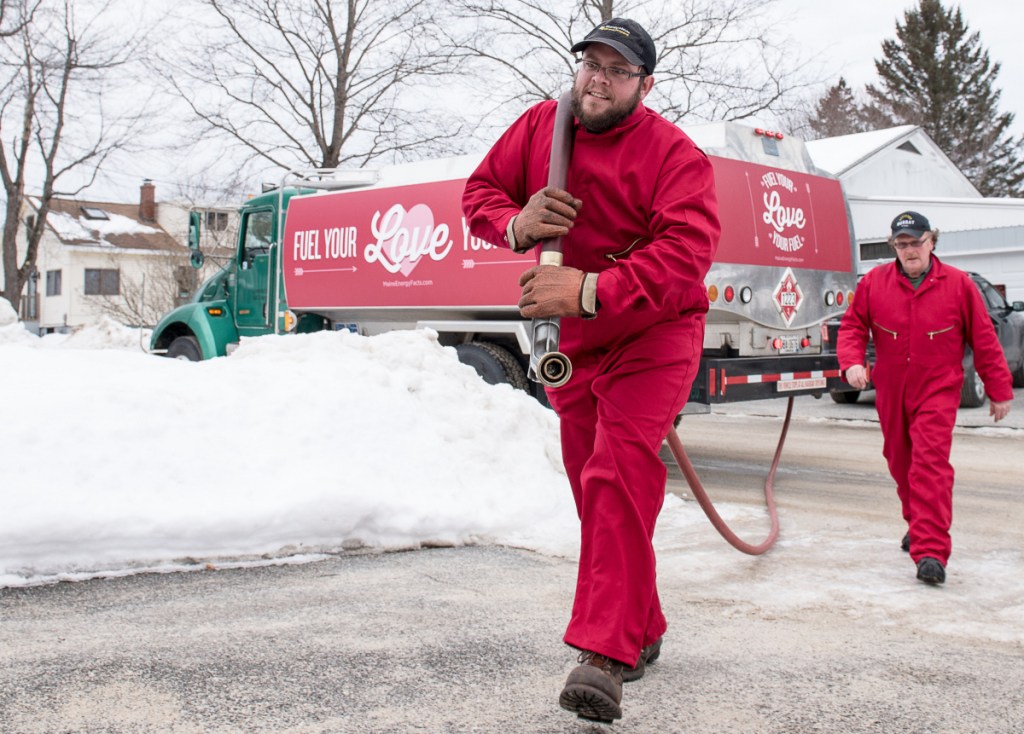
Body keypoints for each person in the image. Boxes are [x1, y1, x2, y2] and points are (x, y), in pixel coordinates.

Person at [462, 18, 719, 723]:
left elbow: (683, 259)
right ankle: (646, 623)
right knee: (595, 492)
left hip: (656, 331)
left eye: (617, 69)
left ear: (646, 84)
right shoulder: (541, 127)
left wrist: (584, 289)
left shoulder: (675, 156)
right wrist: (517, 223)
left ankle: (603, 656)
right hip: (575, 340)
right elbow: (478, 195)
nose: (598, 78)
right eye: (591, 64)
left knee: (616, 472)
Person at [837, 211, 1012, 586]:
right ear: (894, 248)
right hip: (891, 389)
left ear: (932, 242)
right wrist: (852, 361)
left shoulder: (959, 285)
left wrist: (999, 390)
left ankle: (931, 551)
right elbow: (852, 326)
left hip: (938, 388)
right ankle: (917, 523)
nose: (909, 250)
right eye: (902, 244)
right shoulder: (875, 283)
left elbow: (984, 341)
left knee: (929, 465)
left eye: (916, 242)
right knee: (900, 463)